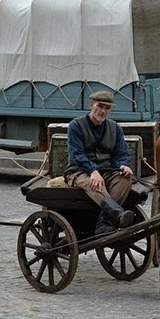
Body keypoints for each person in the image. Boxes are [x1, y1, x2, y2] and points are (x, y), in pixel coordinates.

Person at [64, 90, 136, 235]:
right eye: (100, 106)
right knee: (95, 183)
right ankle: (117, 214)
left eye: (107, 108)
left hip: (107, 171)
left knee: (125, 179)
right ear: (91, 105)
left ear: (111, 110)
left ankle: (104, 222)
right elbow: (77, 154)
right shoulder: (76, 125)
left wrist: (123, 165)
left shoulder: (115, 128)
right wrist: (92, 171)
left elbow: (121, 153)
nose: (103, 111)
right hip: (79, 171)